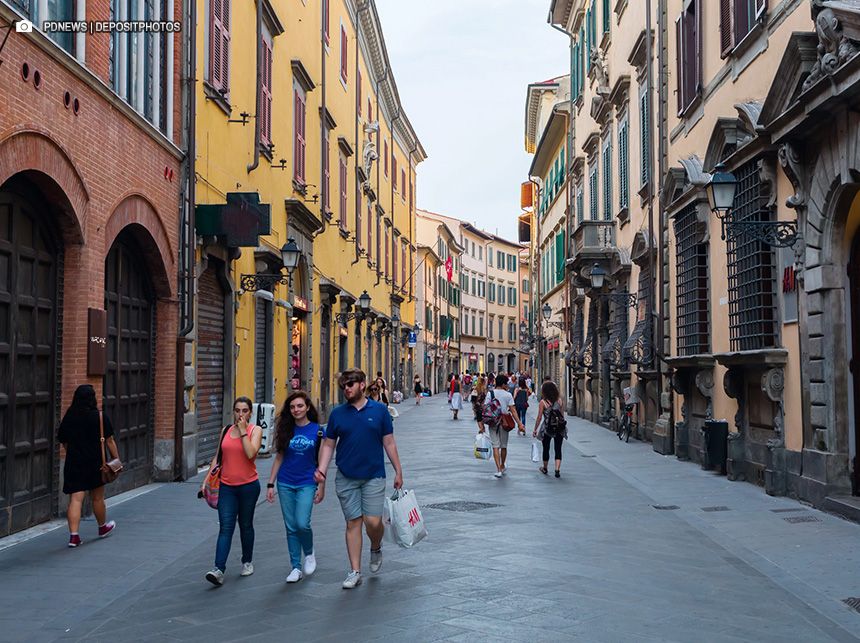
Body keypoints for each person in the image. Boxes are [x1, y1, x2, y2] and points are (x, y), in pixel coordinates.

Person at [315, 369, 404, 589]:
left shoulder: (380, 411)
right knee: (353, 522)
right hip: (346, 476)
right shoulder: (337, 414)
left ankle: (375, 545)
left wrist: (398, 470)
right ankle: (355, 571)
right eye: (344, 385)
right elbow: (328, 444)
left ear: (362, 385)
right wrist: (322, 470)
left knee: (373, 522)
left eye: (351, 384)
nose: (346, 388)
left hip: (373, 475)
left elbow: (389, 442)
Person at [202, 396, 262, 586]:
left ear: (250, 412)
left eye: (245, 411)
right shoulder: (226, 430)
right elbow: (217, 458)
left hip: (249, 487)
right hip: (226, 487)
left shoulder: (256, 430)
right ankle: (218, 569)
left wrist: (244, 432)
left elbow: (251, 454)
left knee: (245, 525)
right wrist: (206, 481)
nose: (240, 414)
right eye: (237, 410)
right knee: (225, 527)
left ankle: (247, 561)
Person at [266, 391, 325, 583]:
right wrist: (270, 483)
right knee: (290, 527)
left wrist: (321, 486)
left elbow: (322, 462)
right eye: (292, 407)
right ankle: (295, 567)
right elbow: (279, 457)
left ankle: (309, 552)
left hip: (307, 482)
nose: (296, 410)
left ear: (307, 407)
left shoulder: (318, 431)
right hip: (285, 482)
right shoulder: (286, 430)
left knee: (302, 523)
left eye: (299, 406)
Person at [57, 384, 119, 548]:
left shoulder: (69, 416)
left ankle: (74, 537)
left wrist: (72, 452)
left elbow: (62, 439)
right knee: (97, 497)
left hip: (74, 462)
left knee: (75, 500)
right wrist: (116, 458)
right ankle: (102, 527)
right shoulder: (99, 416)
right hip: (96, 463)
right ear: (93, 398)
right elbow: (110, 440)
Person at [478, 374, 525, 479]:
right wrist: (519, 424)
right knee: (503, 446)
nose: (508, 385)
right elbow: (513, 411)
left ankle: (498, 469)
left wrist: (481, 424)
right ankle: (502, 465)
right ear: (503, 384)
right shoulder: (508, 395)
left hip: (493, 421)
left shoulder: (490, 393)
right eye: (507, 383)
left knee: (495, 445)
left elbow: (485, 407)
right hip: (504, 422)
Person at [533, 380, 567, 478]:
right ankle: (557, 469)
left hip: (547, 427)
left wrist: (535, 429)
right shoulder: (560, 400)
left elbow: (539, 417)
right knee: (558, 448)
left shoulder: (543, 402)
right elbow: (562, 415)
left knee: (546, 448)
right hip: (559, 427)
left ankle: (545, 468)